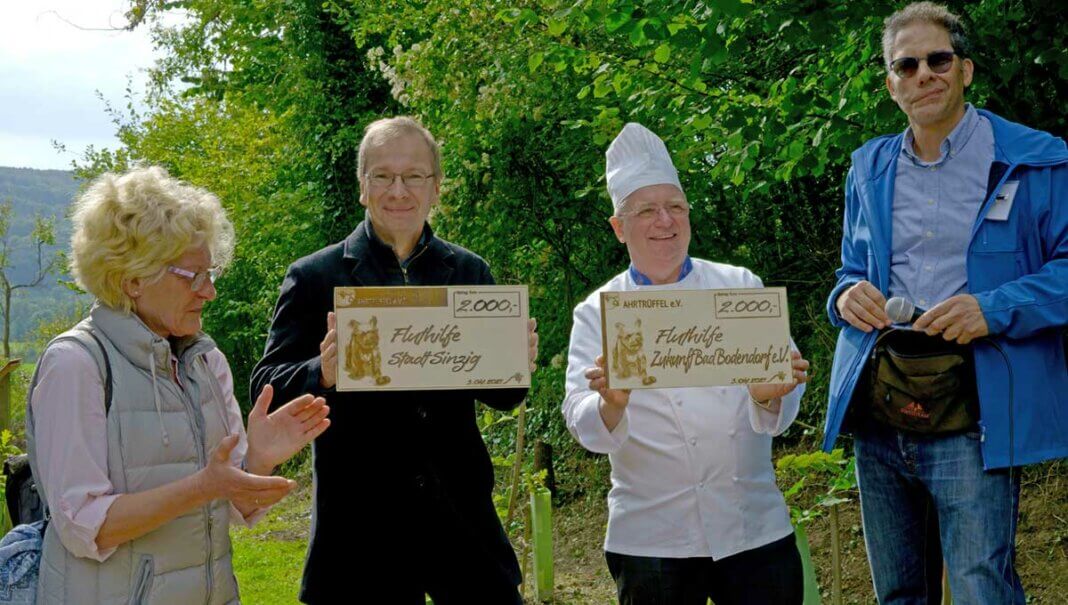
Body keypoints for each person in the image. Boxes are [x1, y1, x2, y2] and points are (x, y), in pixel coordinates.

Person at [823, 3, 1068, 603]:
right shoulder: (868, 168)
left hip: (974, 405)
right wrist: (844, 296)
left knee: (982, 586)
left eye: (938, 59)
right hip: (882, 401)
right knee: (900, 592)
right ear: (890, 83)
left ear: (966, 70)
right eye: (906, 65)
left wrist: (994, 306)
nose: (923, 74)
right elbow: (851, 271)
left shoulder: (1036, 159)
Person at [251, 116, 539, 604]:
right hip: (360, 539)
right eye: (383, 175)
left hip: (463, 531)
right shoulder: (315, 276)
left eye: (414, 176)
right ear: (362, 186)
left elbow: (505, 396)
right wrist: (321, 372)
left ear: (435, 188)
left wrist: (516, 361)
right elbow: (265, 386)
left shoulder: (469, 272)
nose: (398, 190)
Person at [26, 166, 330, 604]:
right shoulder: (75, 364)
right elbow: (83, 525)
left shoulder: (205, 359)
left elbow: (230, 505)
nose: (209, 292)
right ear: (131, 278)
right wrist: (204, 485)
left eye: (212, 273)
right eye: (193, 277)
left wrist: (260, 459)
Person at [562, 122, 811, 605]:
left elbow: (784, 386)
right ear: (618, 227)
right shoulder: (598, 311)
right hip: (651, 540)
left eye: (675, 207)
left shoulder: (739, 286)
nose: (665, 221)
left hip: (752, 527)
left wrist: (768, 394)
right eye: (647, 210)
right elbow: (581, 420)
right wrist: (610, 405)